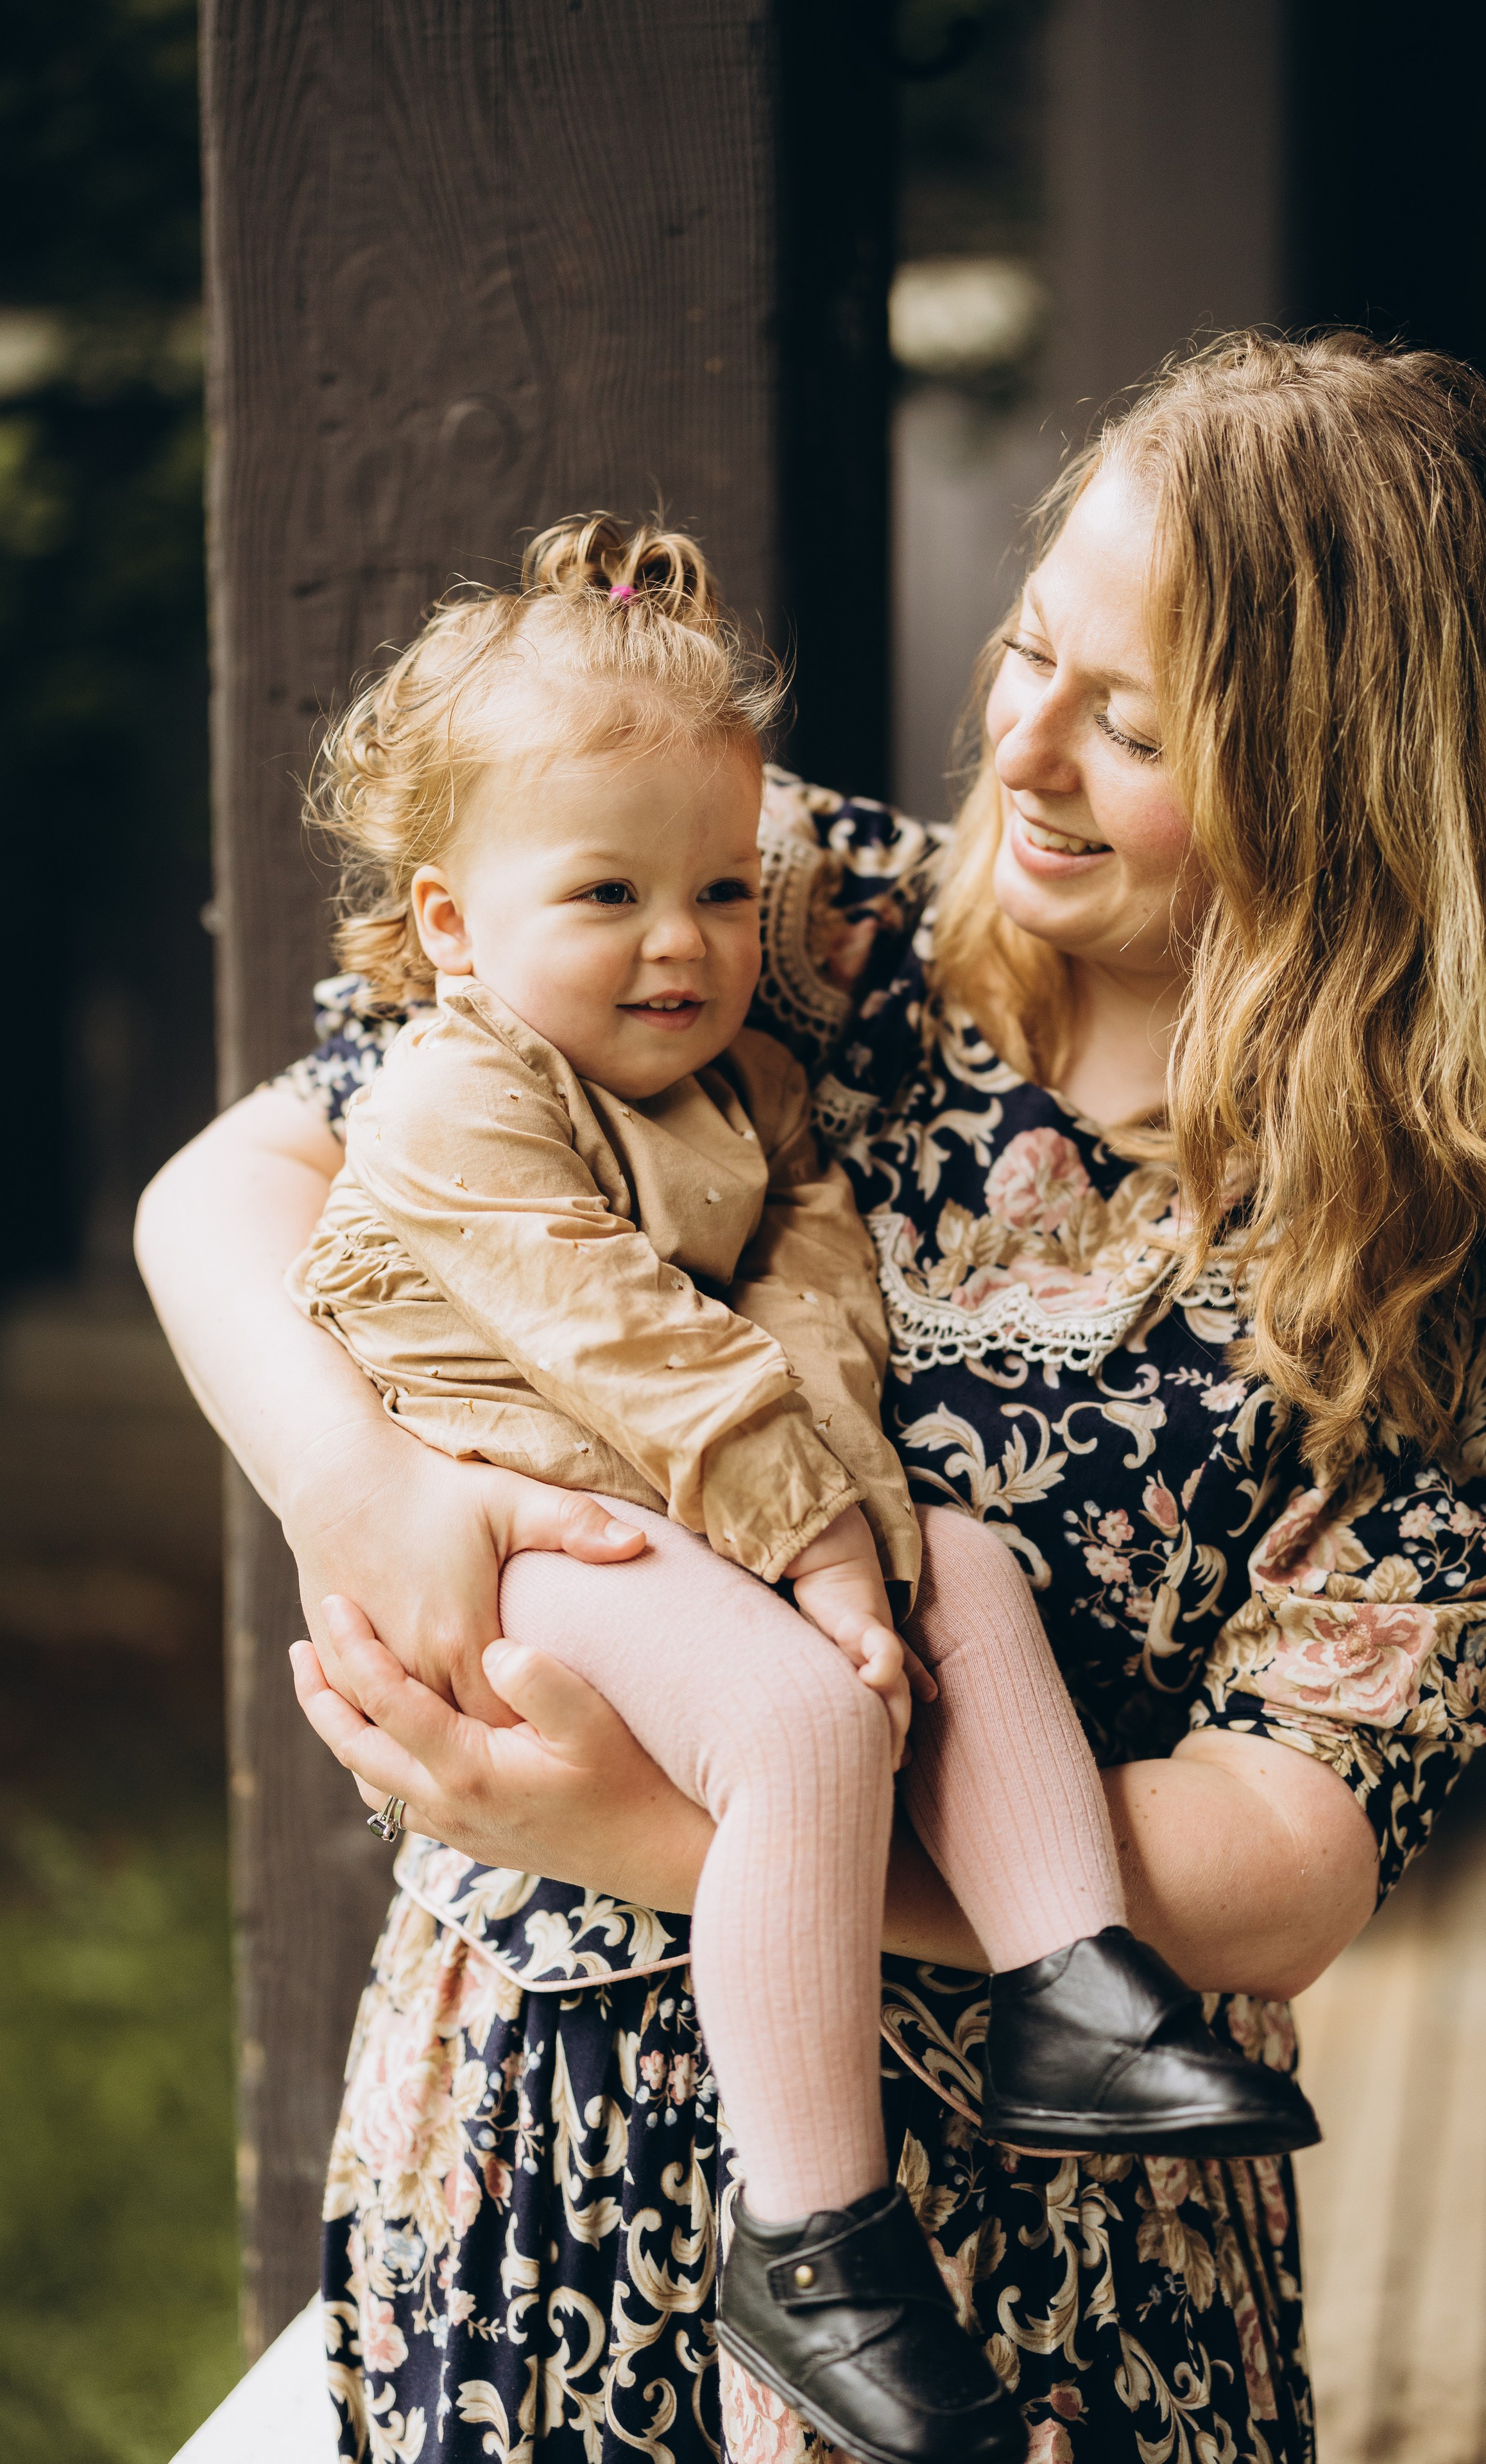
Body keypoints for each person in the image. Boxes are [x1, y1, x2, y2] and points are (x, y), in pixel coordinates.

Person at [138, 330, 1486, 2464]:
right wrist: (349, 1474)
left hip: (1046, 2258)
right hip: (544, 2136)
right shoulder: (790, 916)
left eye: (1129, 724)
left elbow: (1287, 1844)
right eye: (1033, 651)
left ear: (1358, 783)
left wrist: (677, 1839)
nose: (1018, 750)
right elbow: (244, 1182)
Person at [285, 511, 1311, 2464]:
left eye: (721, 895)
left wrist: (868, 1541)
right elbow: (632, 1349)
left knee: (971, 1572)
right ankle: (816, 2238)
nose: (683, 946)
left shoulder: (744, 1084)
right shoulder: (457, 1098)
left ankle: (1071, 1980)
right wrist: (822, 1560)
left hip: (694, 1508)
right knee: (805, 1723)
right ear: (448, 924)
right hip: (539, 1520)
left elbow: (818, 1307)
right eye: (607, 895)